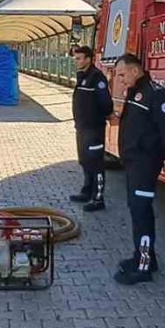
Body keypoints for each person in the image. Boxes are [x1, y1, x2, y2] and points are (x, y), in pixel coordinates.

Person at [111, 53, 165, 286]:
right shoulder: (137, 92)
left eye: (121, 74)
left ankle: (143, 268)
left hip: (144, 166)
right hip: (134, 165)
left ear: (135, 70)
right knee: (137, 211)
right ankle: (144, 256)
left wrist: (152, 160)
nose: (120, 80)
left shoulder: (156, 94)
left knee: (141, 214)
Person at [69, 45, 113, 212]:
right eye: (75, 59)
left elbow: (106, 104)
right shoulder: (82, 76)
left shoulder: (97, 78)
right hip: (81, 128)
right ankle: (86, 191)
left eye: (79, 58)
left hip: (93, 129)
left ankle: (98, 198)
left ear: (88, 59)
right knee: (84, 161)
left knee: (96, 163)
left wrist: (97, 117)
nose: (76, 62)